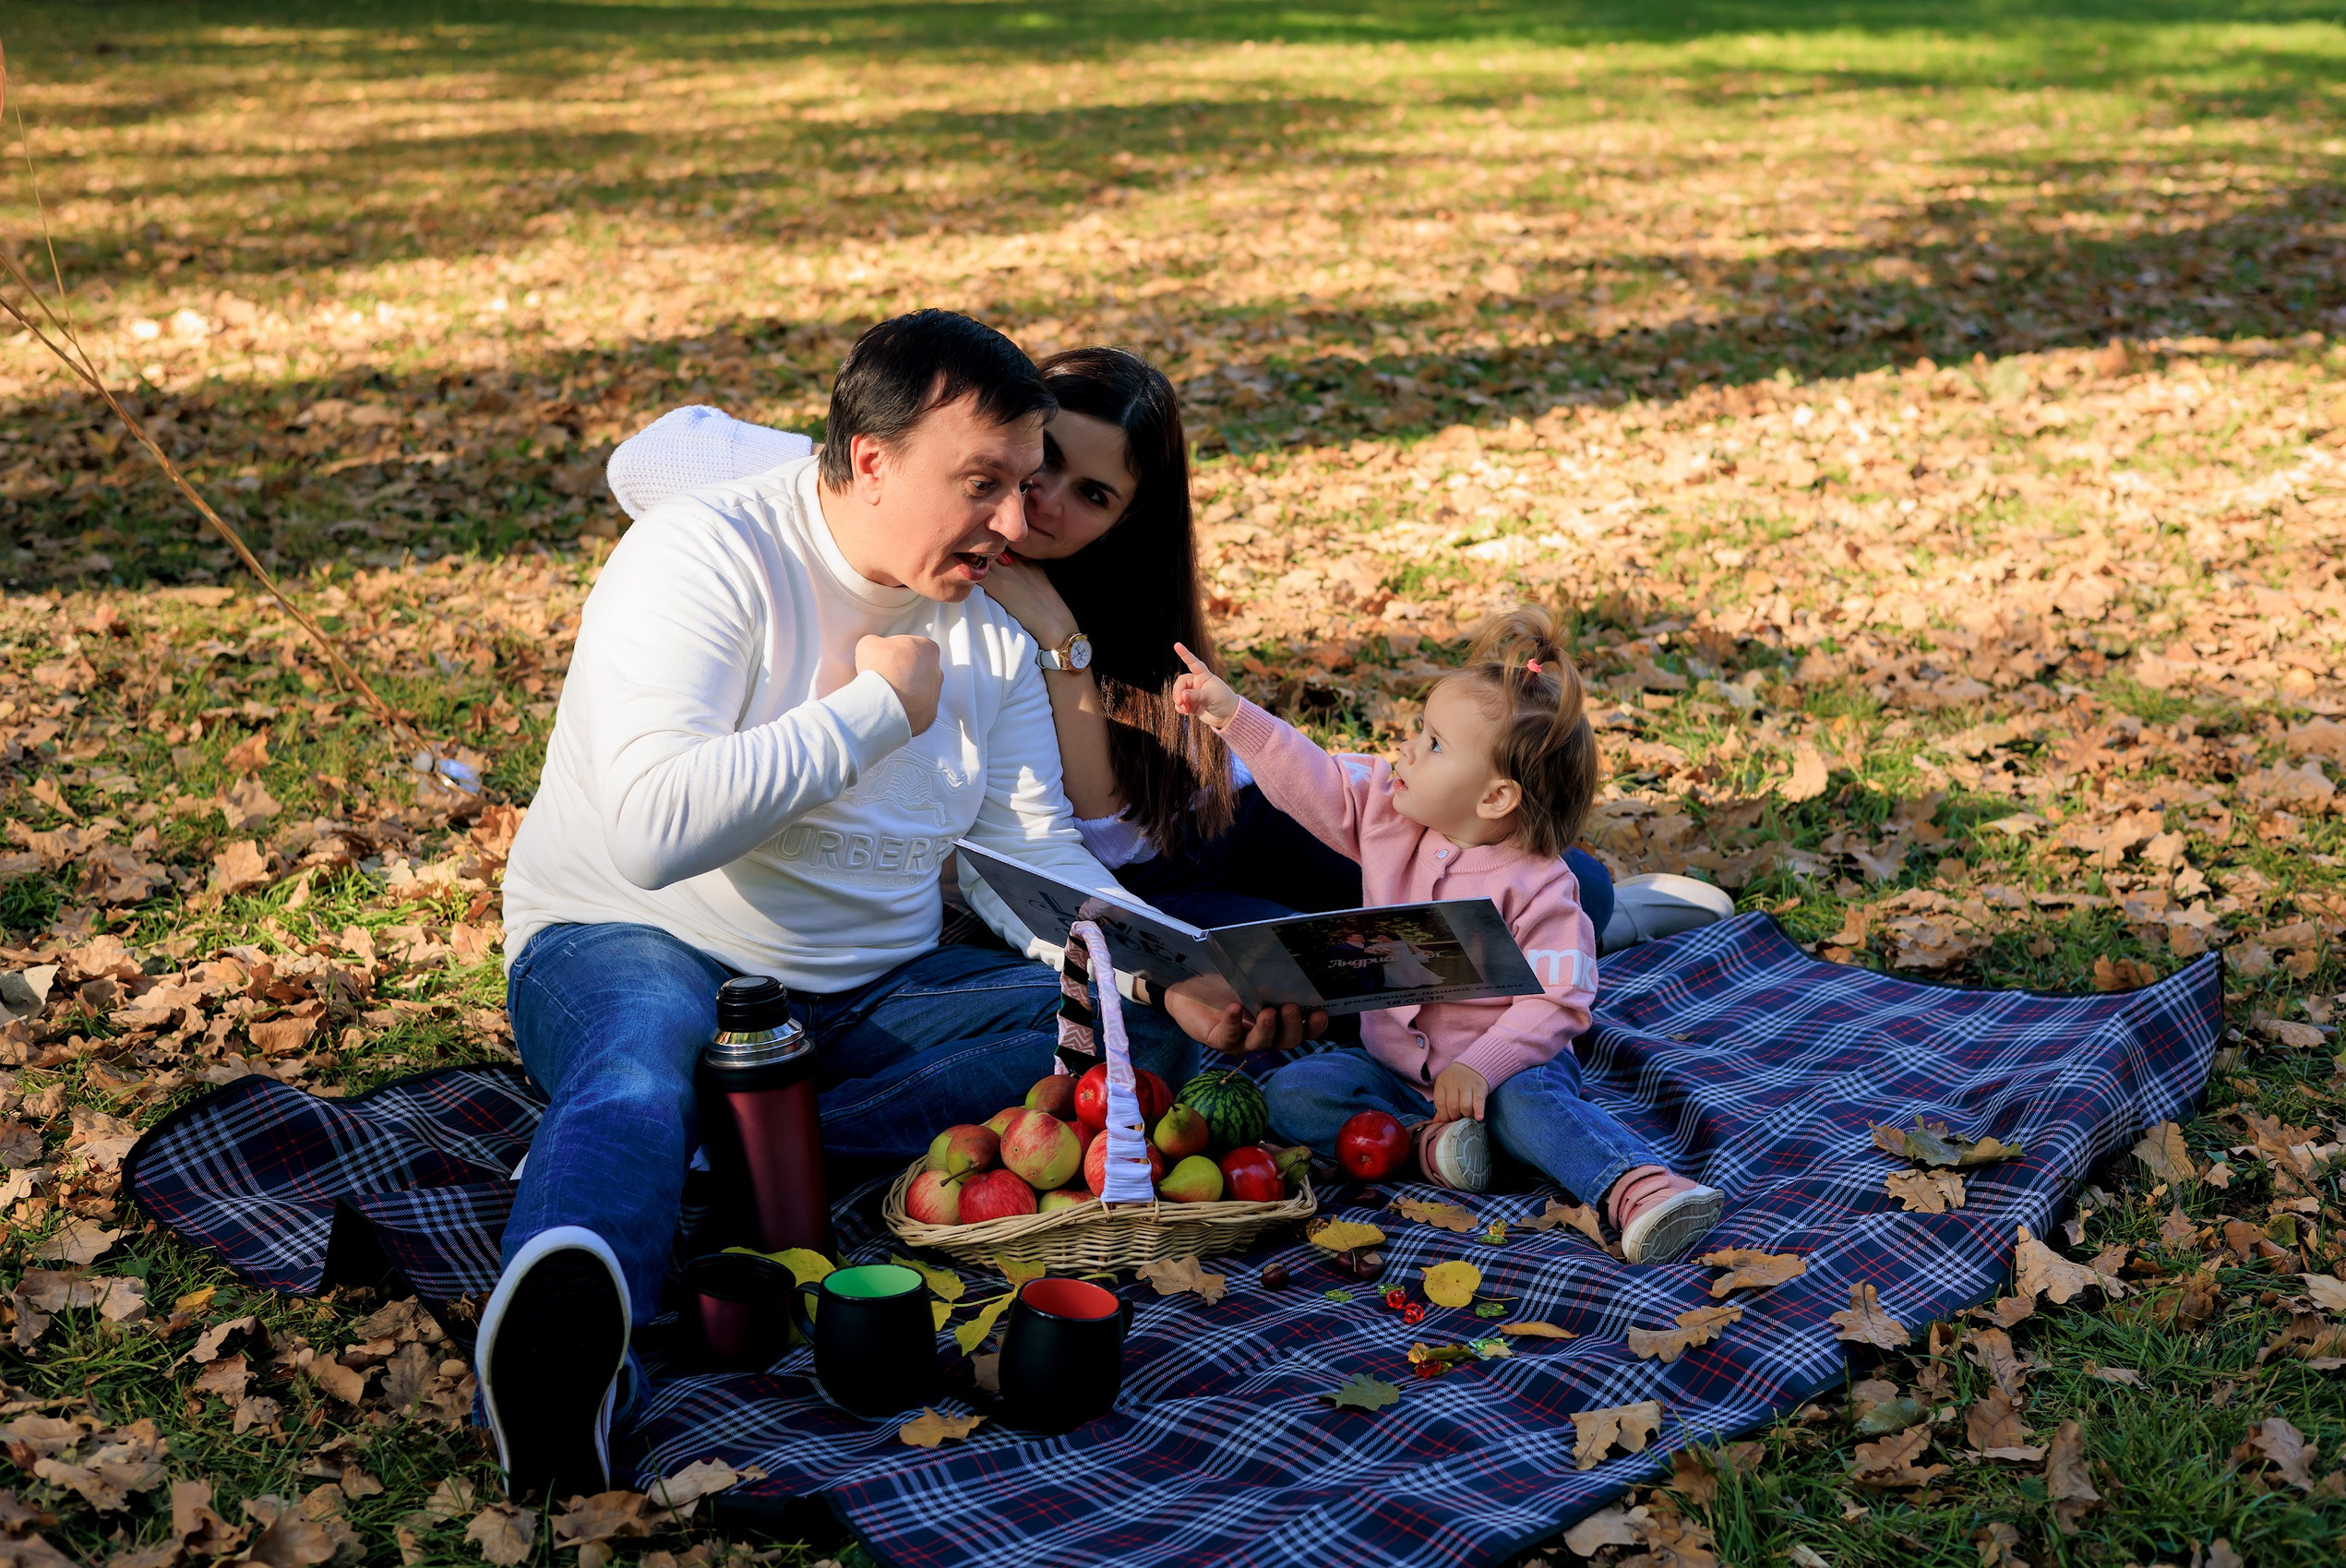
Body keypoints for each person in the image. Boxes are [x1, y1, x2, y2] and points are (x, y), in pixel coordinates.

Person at [485, 312, 1321, 1500]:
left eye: (1024, 485)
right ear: (869, 461)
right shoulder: (704, 557)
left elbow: (1029, 847)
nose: (1013, 522)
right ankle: (570, 1365)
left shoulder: (984, 622)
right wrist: (870, 711)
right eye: (980, 484)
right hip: (639, 940)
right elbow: (651, 831)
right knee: (636, 1061)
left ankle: (719, 1156)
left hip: (876, 993)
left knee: (1150, 1047)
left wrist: (1166, 966)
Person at [605, 353, 1735, 947]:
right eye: (1035, 461)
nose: (1041, 506)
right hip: (1124, 874)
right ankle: (1580, 926)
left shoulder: (1109, 594)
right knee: (1342, 960)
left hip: (1229, 809)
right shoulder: (935, 510)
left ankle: (1594, 918)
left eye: (1090, 495)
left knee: (1556, 883)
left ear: (1128, 519)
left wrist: (1070, 634)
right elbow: (647, 463)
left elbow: (1154, 801)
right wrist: (888, 472)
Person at [1172, 604, 1726, 1265]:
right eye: (1419, 730)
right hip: (1395, 1070)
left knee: (1531, 1111)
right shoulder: (1389, 814)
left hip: (1510, 1069)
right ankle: (1431, 1142)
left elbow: (1560, 1000)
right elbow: (1314, 779)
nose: (1405, 747)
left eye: (1433, 743)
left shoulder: (1541, 886)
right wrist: (1233, 714)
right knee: (1295, 1094)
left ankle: (1636, 1186)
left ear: (1495, 797)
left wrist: (1482, 1066)